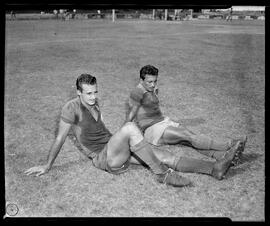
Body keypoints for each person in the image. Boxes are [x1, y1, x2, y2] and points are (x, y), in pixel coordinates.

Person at [24, 74, 241, 187]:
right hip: (104, 159)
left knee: (163, 154)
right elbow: (61, 138)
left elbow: (102, 133)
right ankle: (162, 175)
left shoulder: (95, 105)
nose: (93, 97)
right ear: (78, 92)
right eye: (88, 93)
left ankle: (214, 168)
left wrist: (127, 142)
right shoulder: (70, 108)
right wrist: (47, 165)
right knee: (129, 128)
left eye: (95, 92)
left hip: (114, 149)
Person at [125, 65, 247, 167]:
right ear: (141, 80)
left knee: (190, 139)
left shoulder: (152, 90)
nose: (153, 84)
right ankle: (231, 144)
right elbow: (130, 116)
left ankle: (225, 157)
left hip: (163, 122)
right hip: (152, 130)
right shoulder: (137, 92)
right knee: (188, 137)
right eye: (149, 82)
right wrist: (125, 136)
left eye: (155, 81)